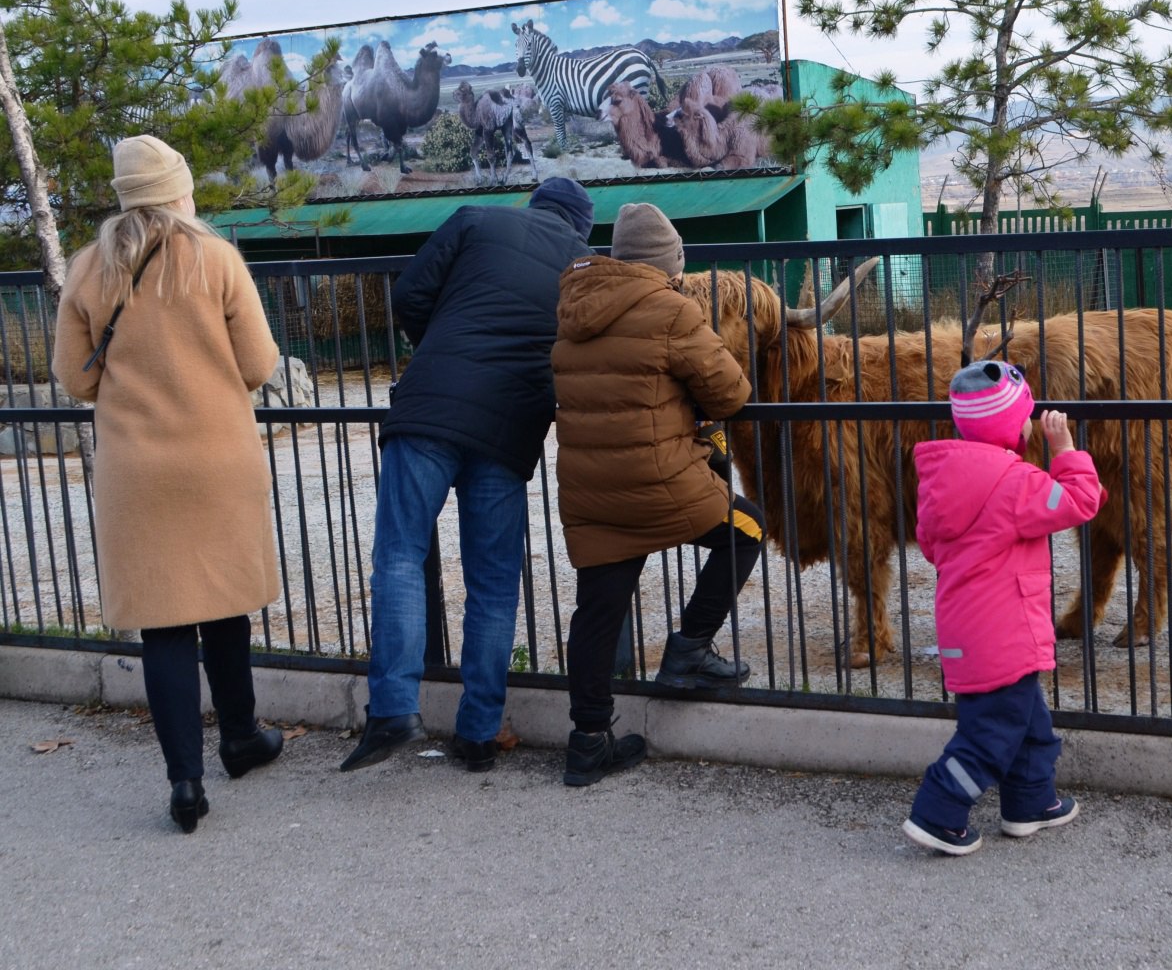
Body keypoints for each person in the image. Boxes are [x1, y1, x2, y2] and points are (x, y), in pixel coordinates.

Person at [52, 135, 285, 833]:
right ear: (179, 191)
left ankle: (185, 783)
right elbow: (258, 364)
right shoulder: (216, 258)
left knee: (164, 623)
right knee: (224, 604)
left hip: (137, 470)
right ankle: (240, 739)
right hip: (218, 460)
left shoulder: (89, 268)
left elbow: (74, 378)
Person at [340, 176, 596, 774]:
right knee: (494, 580)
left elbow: (408, 296)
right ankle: (478, 733)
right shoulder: (584, 268)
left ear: (534, 206)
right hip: (509, 427)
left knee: (401, 556)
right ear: (581, 227)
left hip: (430, 408)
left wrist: (442, 350)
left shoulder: (477, 219)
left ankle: (394, 710)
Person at [551, 201, 762, 788]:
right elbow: (730, 392)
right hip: (659, 482)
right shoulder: (671, 308)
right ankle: (690, 649)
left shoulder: (572, 310)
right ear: (669, 262)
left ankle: (587, 742)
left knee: (597, 612)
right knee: (748, 531)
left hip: (594, 494)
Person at [902, 360, 1107, 856]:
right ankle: (938, 812)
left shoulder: (939, 480)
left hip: (965, 631)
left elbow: (931, 546)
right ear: (1014, 427)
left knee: (1027, 719)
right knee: (989, 736)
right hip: (1007, 631)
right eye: (1025, 417)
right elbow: (1082, 501)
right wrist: (1064, 449)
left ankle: (1030, 802)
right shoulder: (1013, 482)